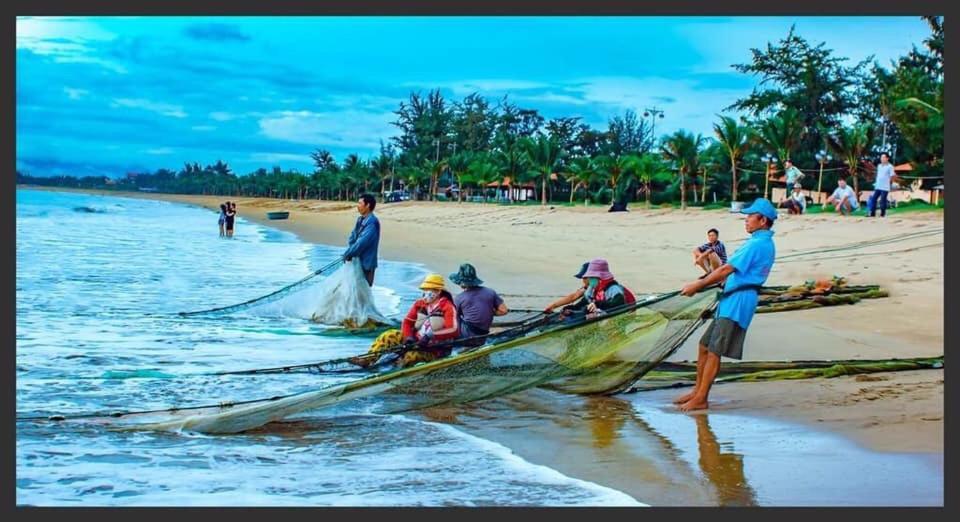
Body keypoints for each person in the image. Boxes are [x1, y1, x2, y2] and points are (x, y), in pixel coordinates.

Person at [677, 198, 777, 412]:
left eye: (750, 216)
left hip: (739, 301)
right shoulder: (761, 242)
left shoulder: (757, 244)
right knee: (705, 345)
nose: (746, 220)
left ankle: (702, 398)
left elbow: (725, 270)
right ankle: (697, 391)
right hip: (732, 298)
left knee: (715, 350)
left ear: (763, 220)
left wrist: (698, 284)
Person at [349, 274, 459, 369]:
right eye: (424, 290)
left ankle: (397, 370)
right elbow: (407, 322)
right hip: (415, 341)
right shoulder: (420, 304)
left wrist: (430, 336)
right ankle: (368, 360)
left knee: (411, 357)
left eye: (428, 290)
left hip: (434, 349)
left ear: (438, 291)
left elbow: (453, 330)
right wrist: (409, 337)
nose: (425, 293)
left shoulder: (447, 307)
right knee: (388, 336)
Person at [450, 263, 508, 346]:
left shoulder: (459, 298)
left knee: (453, 315)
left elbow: (453, 318)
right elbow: (504, 311)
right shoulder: (490, 292)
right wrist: (488, 312)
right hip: (483, 334)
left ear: (461, 283)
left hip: (467, 336)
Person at [561, 258, 636, 318]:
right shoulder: (592, 290)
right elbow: (581, 304)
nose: (589, 279)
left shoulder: (614, 289)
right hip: (604, 315)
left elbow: (618, 303)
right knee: (582, 312)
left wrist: (597, 304)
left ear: (600, 278)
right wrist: (570, 308)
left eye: (592, 277)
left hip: (625, 315)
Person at [343, 193, 381, 286]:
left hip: (367, 263)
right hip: (357, 260)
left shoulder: (372, 222)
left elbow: (362, 242)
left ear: (367, 205)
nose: (358, 206)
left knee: (364, 292)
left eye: (360, 203)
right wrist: (351, 252)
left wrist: (349, 253)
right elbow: (353, 237)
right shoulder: (360, 219)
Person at [868, 153, 897, 218]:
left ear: (887, 158)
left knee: (883, 200)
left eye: (883, 157)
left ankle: (882, 214)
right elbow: (879, 175)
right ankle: (872, 214)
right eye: (881, 157)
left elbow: (892, 176)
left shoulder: (890, 166)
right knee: (873, 199)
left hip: (885, 187)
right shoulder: (879, 166)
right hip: (878, 186)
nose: (882, 159)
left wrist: (890, 183)